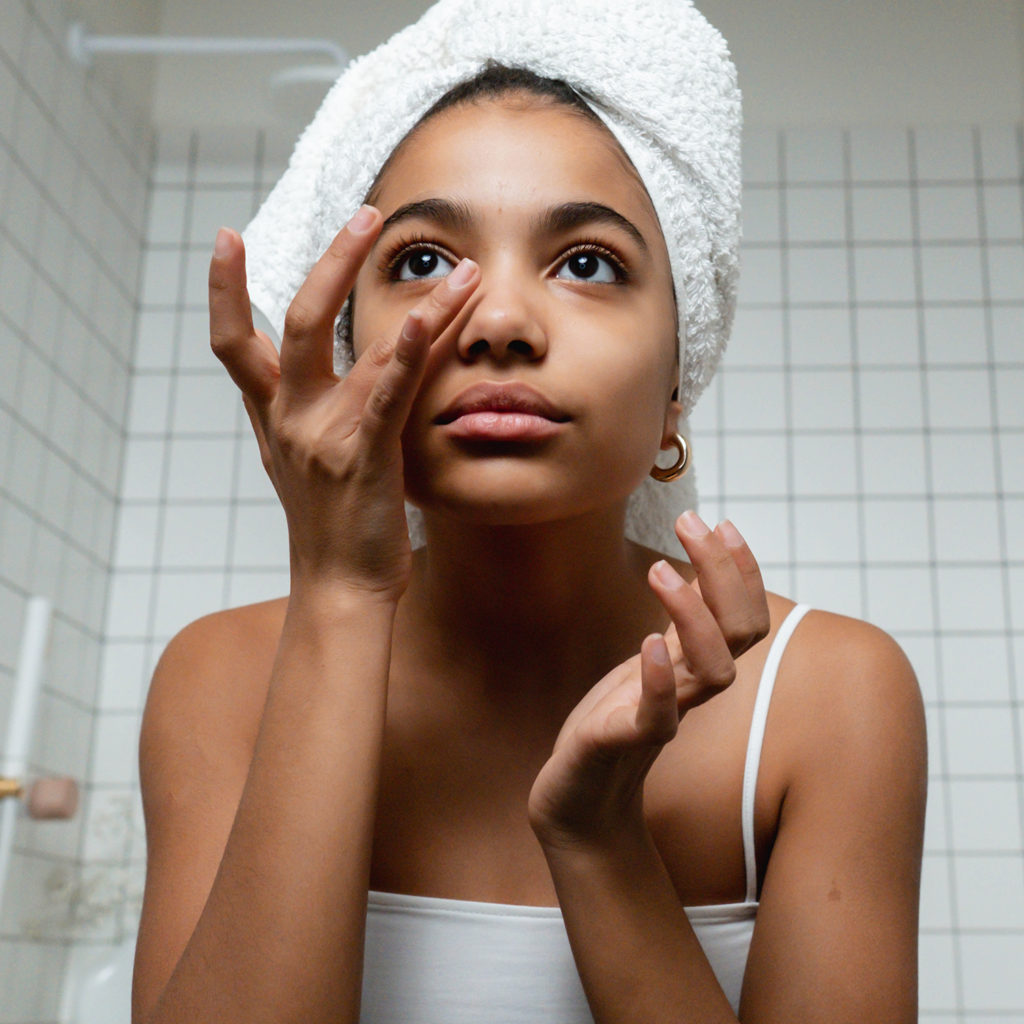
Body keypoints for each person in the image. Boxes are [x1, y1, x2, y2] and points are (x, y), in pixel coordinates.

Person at [131, 3, 927, 1022]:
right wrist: (337, 586)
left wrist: (598, 838)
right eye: (421, 261)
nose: (499, 322)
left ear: (678, 378)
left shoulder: (828, 696)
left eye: (586, 263)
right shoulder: (221, 681)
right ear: (346, 349)